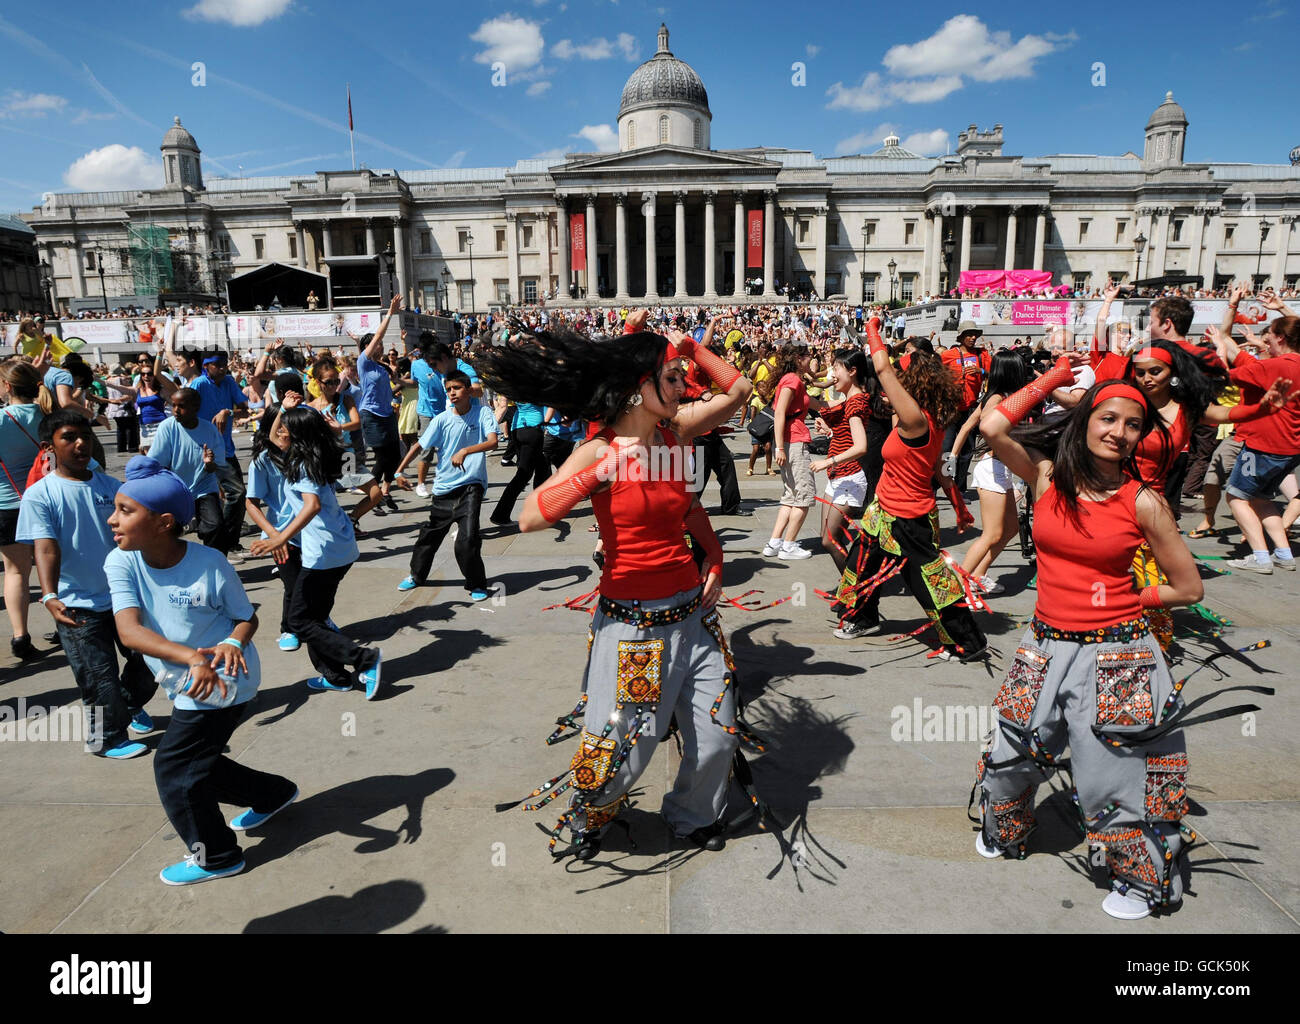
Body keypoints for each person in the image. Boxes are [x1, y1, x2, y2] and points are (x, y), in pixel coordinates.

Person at [479, 323, 756, 859]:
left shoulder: (675, 438)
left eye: (681, 377)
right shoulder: (598, 449)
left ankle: (691, 814)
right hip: (633, 628)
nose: (682, 386)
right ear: (637, 386)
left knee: (719, 734)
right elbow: (531, 516)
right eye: (671, 377)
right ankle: (589, 814)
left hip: (693, 620)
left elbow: (737, 397)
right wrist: (598, 472)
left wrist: (716, 557)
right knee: (621, 751)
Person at [975, 366, 1205, 920]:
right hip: (1043, 645)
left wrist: (1131, 598)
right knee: (1012, 749)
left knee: (1115, 774)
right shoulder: (1047, 475)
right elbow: (994, 426)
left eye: (1133, 424)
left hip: (1118, 655)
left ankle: (1140, 879)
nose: (1120, 432)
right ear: (1084, 421)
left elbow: (1188, 586)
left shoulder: (1144, 501)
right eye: (1108, 418)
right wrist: (1053, 374)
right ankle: (1006, 827)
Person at [105, 457, 298, 886]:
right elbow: (130, 632)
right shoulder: (121, 561)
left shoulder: (210, 562)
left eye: (125, 510)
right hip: (188, 676)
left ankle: (217, 855)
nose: (112, 518)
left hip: (227, 680)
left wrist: (232, 642)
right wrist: (190, 658)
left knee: (175, 771)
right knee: (198, 763)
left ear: (163, 522)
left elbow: (246, 617)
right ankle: (273, 793)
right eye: (116, 507)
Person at [829, 318, 985, 660]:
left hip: (909, 517)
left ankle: (968, 642)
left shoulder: (916, 419)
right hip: (882, 510)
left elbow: (881, 367)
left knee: (928, 582)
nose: (892, 383)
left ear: (911, 383)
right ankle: (863, 617)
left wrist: (871, 327)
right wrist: (959, 506)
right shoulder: (915, 417)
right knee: (861, 562)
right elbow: (941, 471)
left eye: (901, 378)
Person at [16, 411, 156, 759]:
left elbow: (132, 539)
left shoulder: (111, 487)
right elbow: (45, 548)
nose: (81, 444)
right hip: (76, 605)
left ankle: (124, 706)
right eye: (69, 437)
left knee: (152, 664)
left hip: (125, 598)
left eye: (85, 436)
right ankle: (105, 738)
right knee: (97, 678)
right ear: (49, 447)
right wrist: (48, 595)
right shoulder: (40, 494)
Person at [249, 402, 383, 699]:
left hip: (323, 553)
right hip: (341, 548)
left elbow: (312, 505)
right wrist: (285, 408)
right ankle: (336, 676)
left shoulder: (300, 465)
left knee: (299, 621)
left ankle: (364, 659)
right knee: (317, 618)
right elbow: (272, 435)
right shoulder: (313, 455)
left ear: (297, 436)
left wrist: (278, 537)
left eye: (285, 427)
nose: (279, 431)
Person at [393, 371, 499, 598]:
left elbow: (493, 441)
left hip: (472, 484)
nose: (452, 393)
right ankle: (416, 575)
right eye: (449, 389)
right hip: (444, 488)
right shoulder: (441, 419)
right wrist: (399, 471)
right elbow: (419, 447)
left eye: (457, 388)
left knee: (468, 537)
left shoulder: (482, 413)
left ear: (469, 390)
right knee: (429, 537)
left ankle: (476, 583)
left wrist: (466, 450)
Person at [1212, 314, 1300, 574]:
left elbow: (1222, 377)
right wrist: (1231, 309)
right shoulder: (1278, 365)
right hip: (1290, 448)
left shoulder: (1274, 366)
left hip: (1265, 446)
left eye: (1269, 335)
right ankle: (1284, 554)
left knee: (1236, 497)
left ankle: (1260, 557)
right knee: (1261, 499)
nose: (1265, 339)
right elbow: (1238, 354)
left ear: (1280, 337)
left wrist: (1218, 350)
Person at [951, 350, 1031, 595]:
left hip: (1002, 468)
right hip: (995, 468)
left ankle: (977, 575)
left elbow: (967, 426)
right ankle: (956, 585)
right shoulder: (996, 399)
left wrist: (952, 456)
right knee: (992, 533)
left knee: (1009, 529)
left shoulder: (996, 396)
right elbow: (985, 428)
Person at [0, 359, 52, 660]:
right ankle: (65, 624)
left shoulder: (3, 419)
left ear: (7, 386)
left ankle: (21, 636)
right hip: (46, 500)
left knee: (15, 571)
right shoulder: (48, 413)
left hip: (7, 503)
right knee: (56, 566)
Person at [809, 349, 872, 572]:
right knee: (827, 538)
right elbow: (846, 433)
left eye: (836, 368)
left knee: (829, 540)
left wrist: (828, 461)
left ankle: (855, 588)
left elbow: (861, 446)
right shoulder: (851, 400)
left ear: (852, 371)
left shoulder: (856, 403)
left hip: (849, 478)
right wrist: (830, 431)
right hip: (838, 477)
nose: (832, 374)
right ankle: (853, 585)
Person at [145, 388, 226, 549]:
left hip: (203, 486)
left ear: (196, 408)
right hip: (175, 488)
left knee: (215, 526)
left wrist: (210, 464)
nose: (175, 411)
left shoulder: (209, 430)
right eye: (173, 405)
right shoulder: (167, 427)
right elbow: (157, 463)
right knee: (167, 533)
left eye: (181, 406)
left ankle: (213, 562)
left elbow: (215, 467)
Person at [186, 352, 248, 554]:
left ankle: (228, 542)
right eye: (217, 365)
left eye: (224, 364)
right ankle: (224, 543)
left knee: (236, 495)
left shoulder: (229, 382)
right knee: (229, 494)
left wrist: (227, 411)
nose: (222, 368)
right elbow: (185, 412)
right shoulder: (199, 385)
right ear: (206, 366)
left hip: (226, 448)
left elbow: (245, 410)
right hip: (205, 451)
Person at [764, 344, 821, 559]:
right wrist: (779, 447)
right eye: (809, 356)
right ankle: (788, 545)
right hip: (793, 442)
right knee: (803, 497)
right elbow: (779, 414)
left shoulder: (794, 380)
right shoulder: (793, 380)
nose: (812, 360)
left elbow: (816, 403)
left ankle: (775, 542)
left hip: (790, 442)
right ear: (799, 358)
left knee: (790, 495)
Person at [355, 295, 404, 512]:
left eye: (382, 344)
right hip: (371, 415)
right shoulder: (364, 363)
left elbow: (389, 387)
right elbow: (378, 334)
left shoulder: (381, 367)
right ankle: (372, 496)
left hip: (388, 414)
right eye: (377, 344)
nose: (381, 346)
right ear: (367, 347)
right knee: (383, 457)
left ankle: (384, 491)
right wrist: (390, 314)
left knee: (394, 456)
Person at [940, 321, 992, 491]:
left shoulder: (982, 355)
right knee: (947, 449)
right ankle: (945, 483)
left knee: (967, 451)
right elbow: (936, 373)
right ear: (961, 337)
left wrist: (981, 372)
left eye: (974, 334)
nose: (973, 338)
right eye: (969, 334)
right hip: (951, 408)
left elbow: (997, 373)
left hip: (971, 409)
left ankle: (959, 487)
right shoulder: (949, 355)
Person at [490, 398, 548, 525]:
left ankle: (540, 509)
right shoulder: (536, 383)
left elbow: (502, 407)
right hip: (532, 431)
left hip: (517, 430)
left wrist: (489, 428)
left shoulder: (514, 385)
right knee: (523, 475)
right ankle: (500, 515)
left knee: (543, 467)